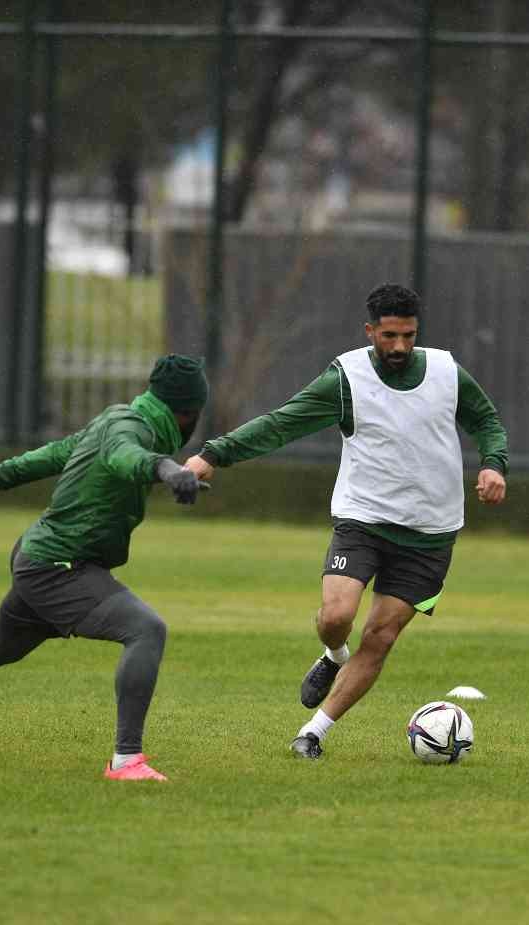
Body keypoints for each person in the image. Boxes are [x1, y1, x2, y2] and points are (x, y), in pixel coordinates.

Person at [184, 283, 508, 758]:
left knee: (379, 637)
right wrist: (214, 454)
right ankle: (333, 655)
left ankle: (313, 732)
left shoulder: (445, 370)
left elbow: (486, 420)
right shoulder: (347, 378)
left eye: (409, 336)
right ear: (370, 331)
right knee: (337, 618)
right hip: (364, 519)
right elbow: (281, 422)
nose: (399, 346)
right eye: (389, 336)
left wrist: (493, 463)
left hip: (431, 532)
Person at [0, 354, 210, 782]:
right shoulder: (132, 431)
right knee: (146, 629)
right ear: (188, 412)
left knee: (7, 642)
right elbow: (124, 457)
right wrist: (166, 468)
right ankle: (126, 760)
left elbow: (60, 451)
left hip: (39, 555)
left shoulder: (119, 416)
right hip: (58, 566)